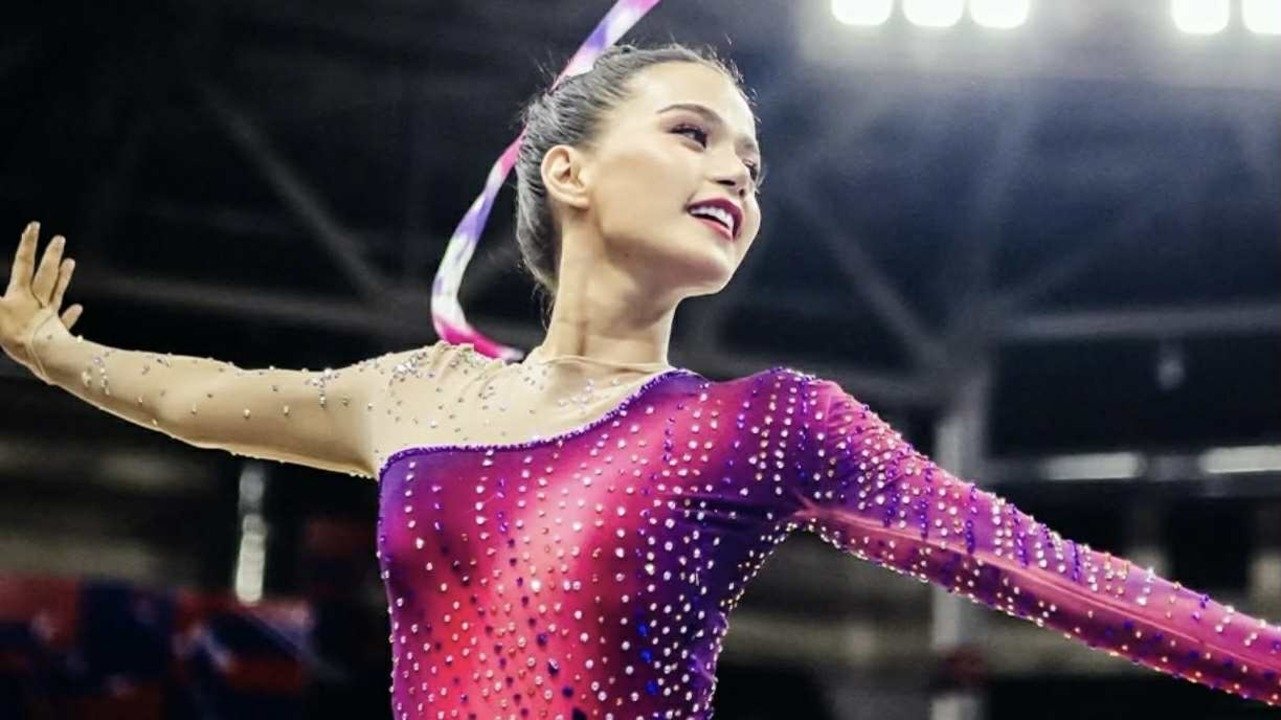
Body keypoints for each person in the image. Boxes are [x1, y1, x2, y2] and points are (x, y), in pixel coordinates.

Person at [3, 43, 1279, 720]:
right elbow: (205, 398)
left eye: (753, 165)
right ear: (563, 170)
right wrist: (59, 354)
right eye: (692, 134)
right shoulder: (412, 397)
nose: (736, 176)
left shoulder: (767, 423)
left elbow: (1052, 573)